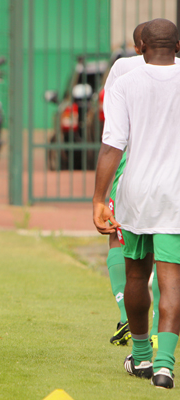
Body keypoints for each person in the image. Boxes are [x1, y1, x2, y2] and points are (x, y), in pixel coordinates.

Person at [93, 18, 180, 389]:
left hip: (135, 192)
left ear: (140, 47)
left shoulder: (124, 80)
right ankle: (164, 366)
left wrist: (99, 198)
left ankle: (141, 356)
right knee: (171, 278)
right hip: (176, 193)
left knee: (135, 275)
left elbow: (113, 143)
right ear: (177, 46)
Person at [102, 21, 162, 347]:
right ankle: (159, 335)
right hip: (171, 169)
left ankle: (128, 314)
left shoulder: (123, 68)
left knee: (117, 236)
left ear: (138, 46)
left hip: (130, 163)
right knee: (166, 254)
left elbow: (112, 122)